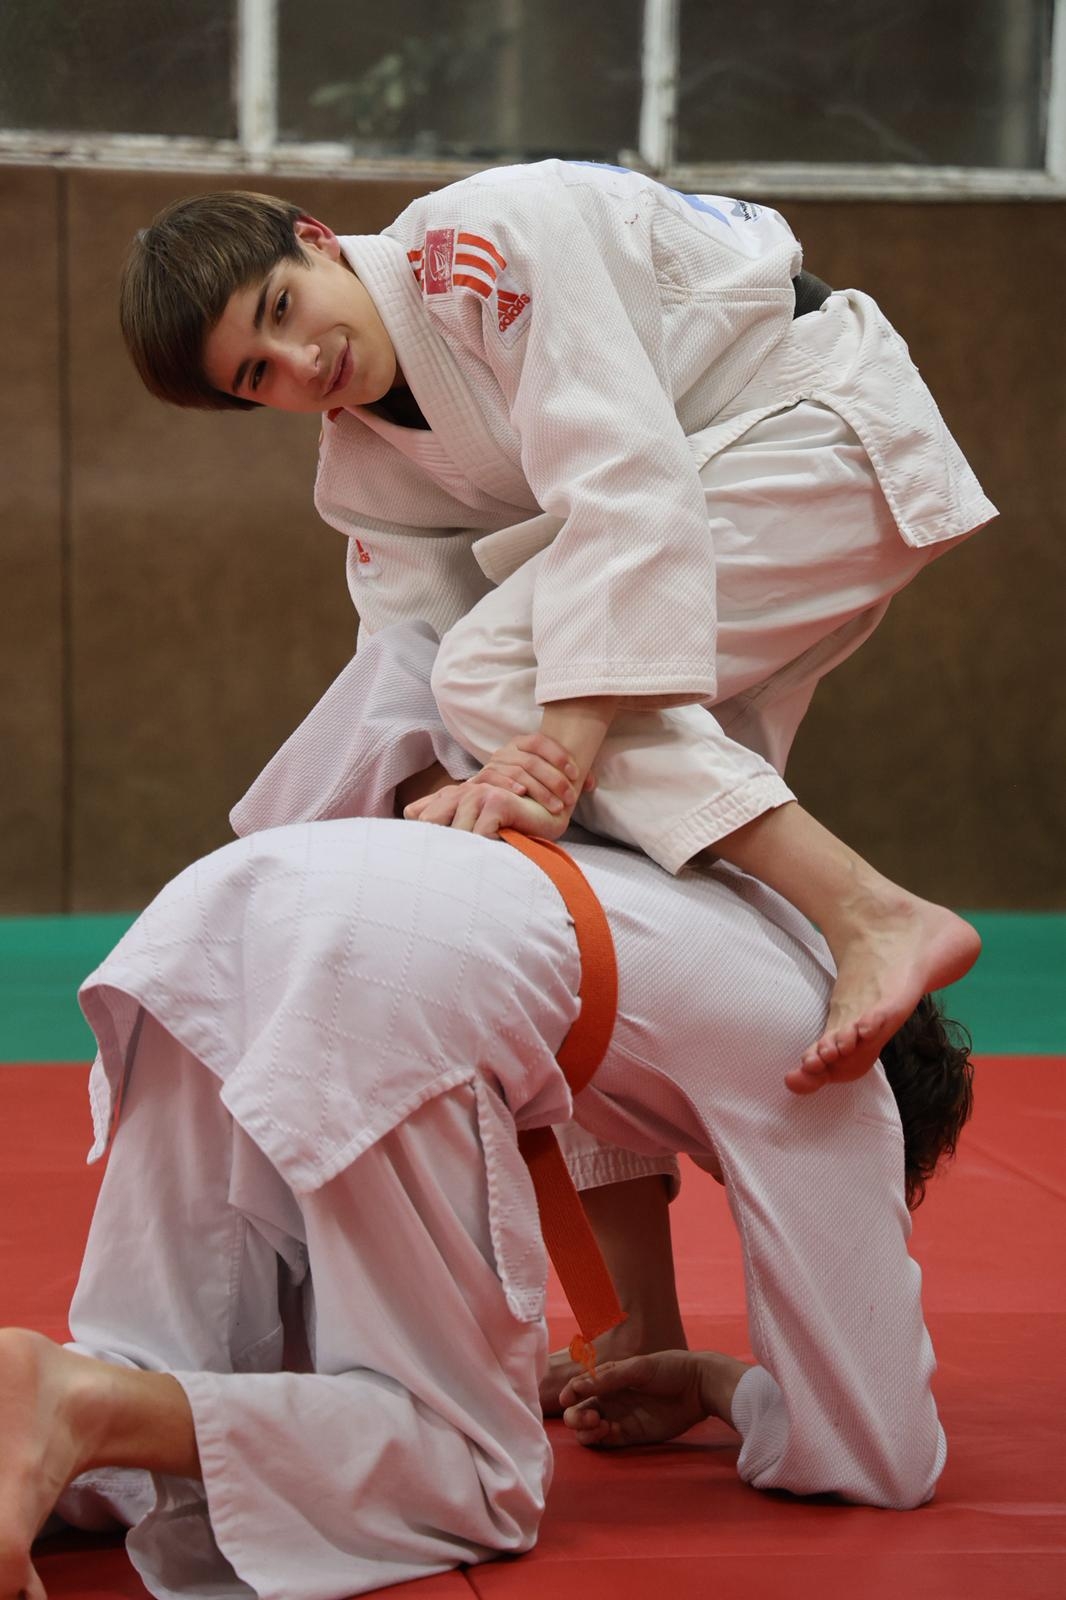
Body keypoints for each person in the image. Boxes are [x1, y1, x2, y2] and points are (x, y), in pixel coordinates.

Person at [1, 623, 974, 1600]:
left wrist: (653, 1344)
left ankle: (54, 1408)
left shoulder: (716, 901)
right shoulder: (835, 1053)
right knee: (470, 1469)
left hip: (228, 908)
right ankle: (82, 1399)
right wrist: (721, 1383)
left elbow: (573, 1066)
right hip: (388, 969)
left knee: (166, 1360)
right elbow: (880, 1452)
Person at [119, 161, 991, 1091]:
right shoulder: (367, 475)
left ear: (317, 239)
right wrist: (471, 797)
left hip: (818, 426)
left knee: (495, 677)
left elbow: (622, 480)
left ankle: (872, 914)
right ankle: (834, 1090)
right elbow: (404, 668)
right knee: (644, 863)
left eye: (283, 308)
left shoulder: (491, 237)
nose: (302, 362)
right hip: (710, 518)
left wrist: (550, 759)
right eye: (260, 374)